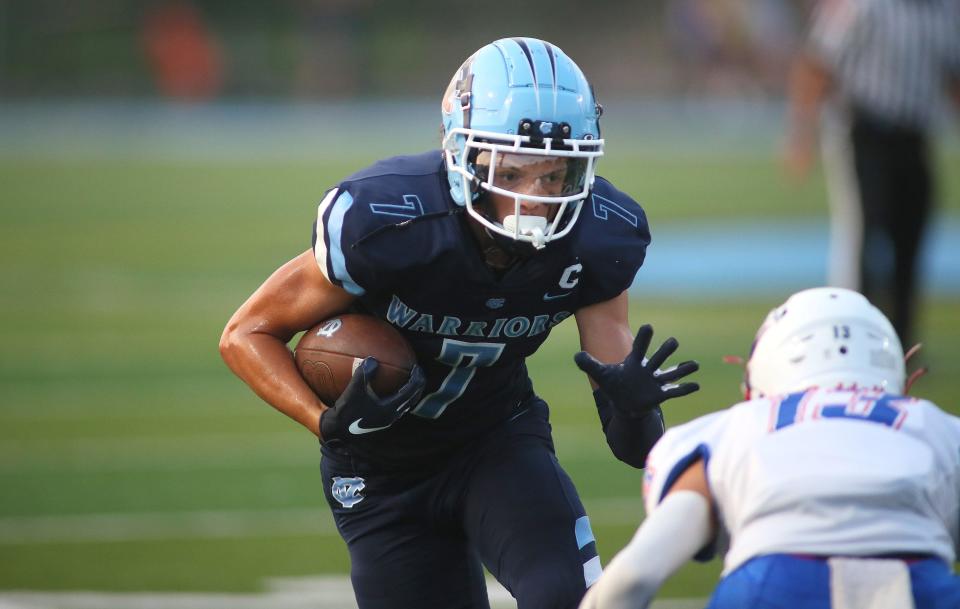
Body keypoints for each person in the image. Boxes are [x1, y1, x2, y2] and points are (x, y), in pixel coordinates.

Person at [219, 37, 700, 609]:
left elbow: (634, 447)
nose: (536, 198)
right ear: (463, 156)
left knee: (568, 600)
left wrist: (638, 411)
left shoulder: (597, 239)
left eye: (556, 176)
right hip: (380, 471)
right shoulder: (389, 222)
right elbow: (245, 334)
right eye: (514, 171)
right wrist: (324, 422)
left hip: (496, 443)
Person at [579, 286, 960, 609]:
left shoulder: (728, 432)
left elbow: (633, 576)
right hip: (922, 587)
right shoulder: (940, 429)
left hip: (770, 587)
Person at [783, 0, 960, 348]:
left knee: (911, 239)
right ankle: (848, 341)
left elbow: (952, 77)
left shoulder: (944, 11)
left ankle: (902, 344)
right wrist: (801, 132)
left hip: (915, 135)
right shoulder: (865, 7)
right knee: (863, 238)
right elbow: (818, 62)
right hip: (865, 131)